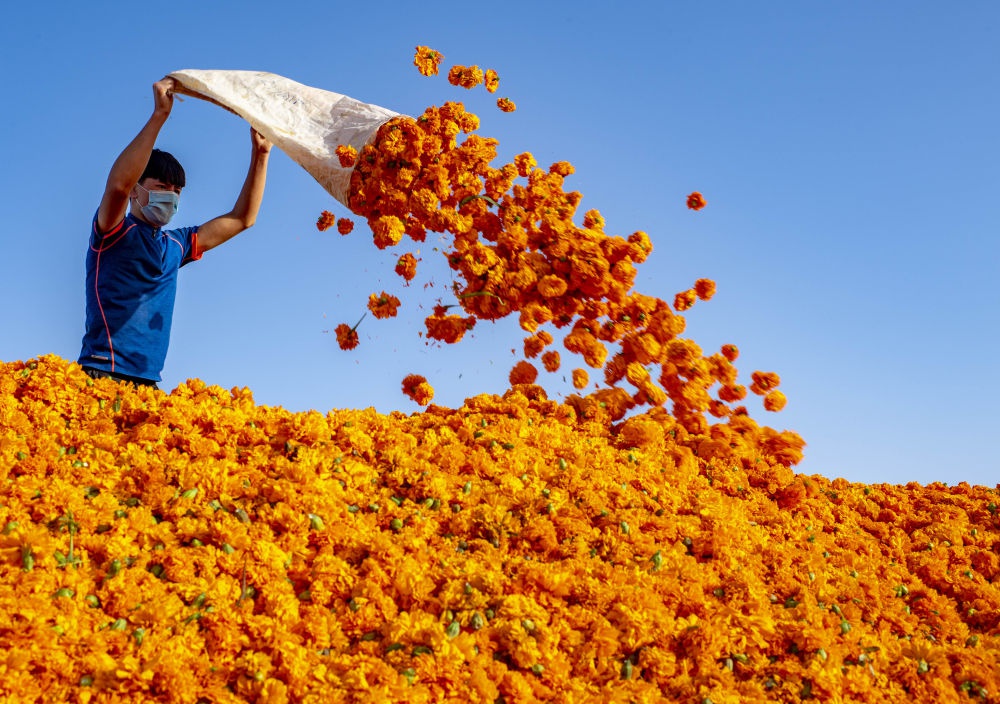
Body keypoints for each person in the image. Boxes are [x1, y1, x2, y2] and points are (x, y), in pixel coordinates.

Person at [78, 77, 272, 389]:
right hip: (102, 373)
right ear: (137, 191)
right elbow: (117, 185)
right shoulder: (113, 231)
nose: (171, 196)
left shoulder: (176, 245)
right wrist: (159, 116)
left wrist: (260, 156)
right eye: (161, 187)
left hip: (149, 383)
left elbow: (241, 218)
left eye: (177, 190)